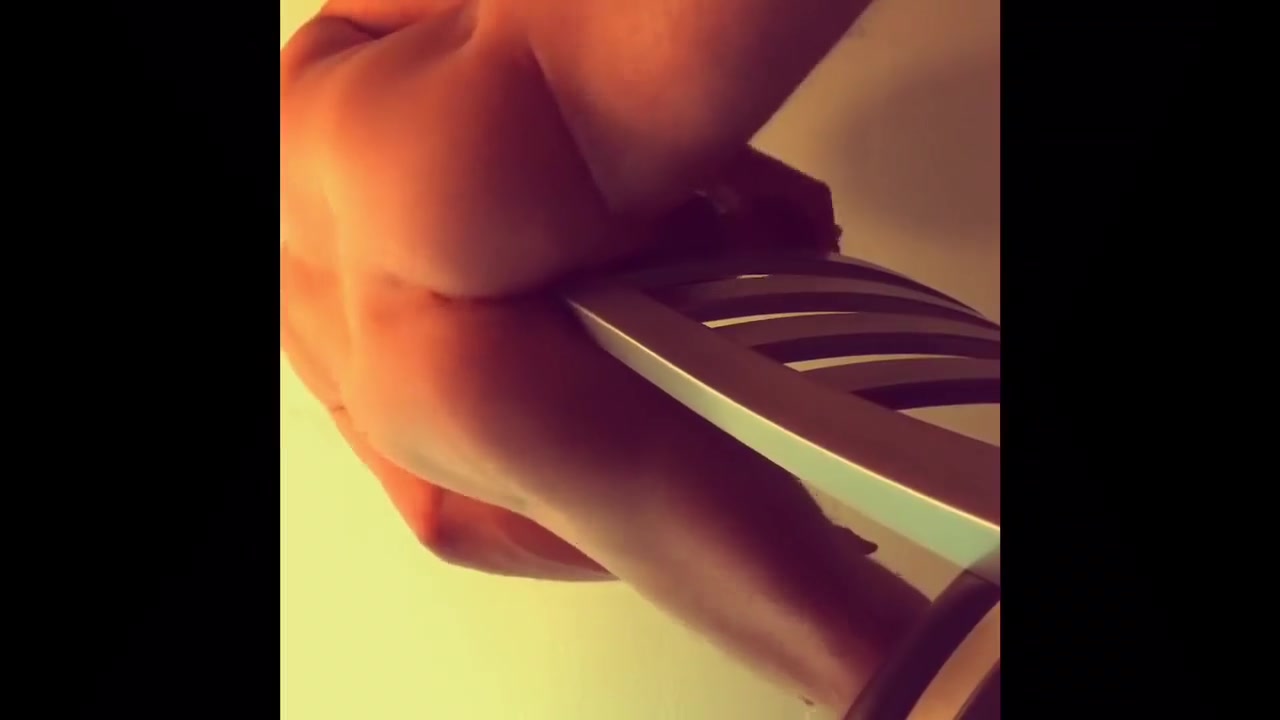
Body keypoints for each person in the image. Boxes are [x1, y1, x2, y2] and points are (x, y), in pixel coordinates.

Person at [280, 0, 929, 713]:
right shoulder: (296, 76)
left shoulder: (310, 332)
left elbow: (441, 522)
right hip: (419, 146)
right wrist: (735, 169)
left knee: (899, 671)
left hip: (414, 394)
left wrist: (753, 541)